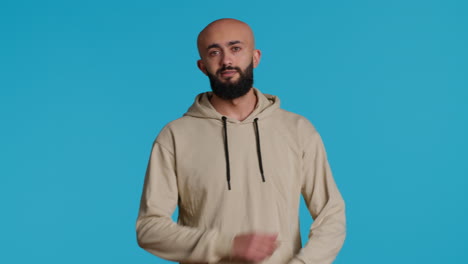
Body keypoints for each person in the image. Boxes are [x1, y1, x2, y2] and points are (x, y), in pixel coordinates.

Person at [136, 18, 346, 264]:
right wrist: (226, 245)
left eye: (236, 49)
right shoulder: (175, 136)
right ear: (202, 66)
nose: (226, 60)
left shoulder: (298, 130)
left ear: (255, 57)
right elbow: (149, 228)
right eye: (214, 52)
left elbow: (331, 215)